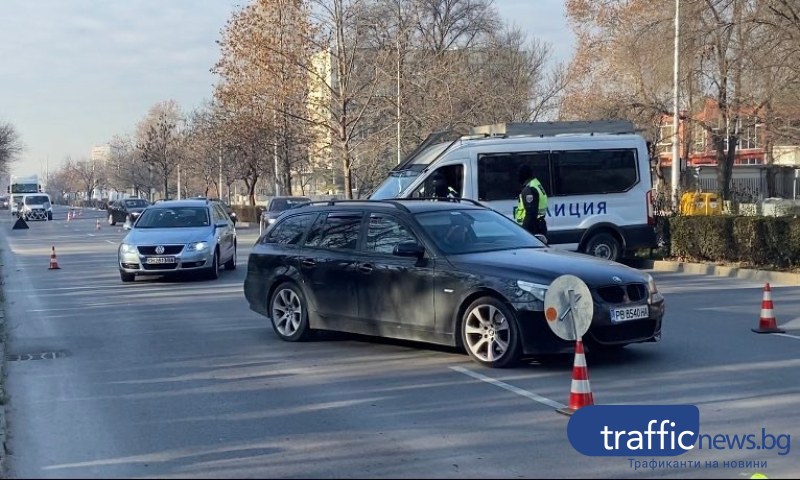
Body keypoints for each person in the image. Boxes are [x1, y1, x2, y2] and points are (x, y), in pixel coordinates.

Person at [514, 164, 548, 236]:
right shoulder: (536, 183)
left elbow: (530, 213)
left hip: (532, 228)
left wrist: (524, 231)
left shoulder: (529, 189)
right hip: (538, 224)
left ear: (523, 175)